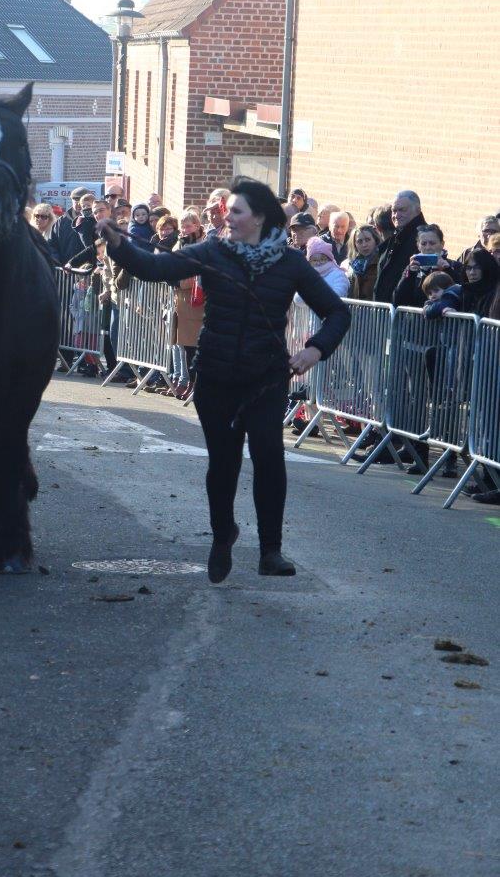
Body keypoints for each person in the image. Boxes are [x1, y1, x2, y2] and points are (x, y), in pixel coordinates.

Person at [98, 176, 350, 583]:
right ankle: (222, 536)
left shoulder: (289, 263)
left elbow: (338, 312)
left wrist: (315, 349)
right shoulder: (212, 252)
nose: (225, 216)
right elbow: (154, 266)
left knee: (269, 455)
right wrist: (118, 243)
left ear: (259, 218)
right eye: (225, 210)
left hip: (267, 377)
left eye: (236, 211)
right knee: (224, 462)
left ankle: (271, 551)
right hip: (216, 375)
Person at [167, 210, 205, 399]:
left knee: (192, 346)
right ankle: (188, 381)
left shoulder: (200, 244)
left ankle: (194, 383)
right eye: (182, 225)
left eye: (188, 225)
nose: (184, 229)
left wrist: (178, 280)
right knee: (182, 345)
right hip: (179, 299)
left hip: (193, 298)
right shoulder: (180, 243)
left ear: (197, 226)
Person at [373, 190, 427, 303]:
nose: (396, 215)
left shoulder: (424, 238)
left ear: (417, 210)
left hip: (408, 315)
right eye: (394, 211)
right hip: (385, 313)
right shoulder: (396, 237)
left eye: (402, 210)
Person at [393, 223, 462, 308]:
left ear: (442, 244)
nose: (428, 247)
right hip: (416, 319)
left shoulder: (453, 266)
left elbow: (462, 294)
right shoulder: (412, 268)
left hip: (444, 318)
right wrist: (410, 274)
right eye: (423, 244)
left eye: (432, 243)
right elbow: (398, 300)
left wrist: (447, 270)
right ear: (418, 246)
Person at [459, 248, 499, 316]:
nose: (472, 272)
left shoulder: (495, 293)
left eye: (477, 267)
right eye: (468, 268)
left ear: (486, 269)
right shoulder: (462, 291)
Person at [345, 225, 381, 300]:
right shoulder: (352, 265)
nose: (364, 245)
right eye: (359, 241)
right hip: (356, 309)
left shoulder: (381, 263)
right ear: (355, 244)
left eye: (368, 240)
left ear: (375, 240)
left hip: (374, 309)